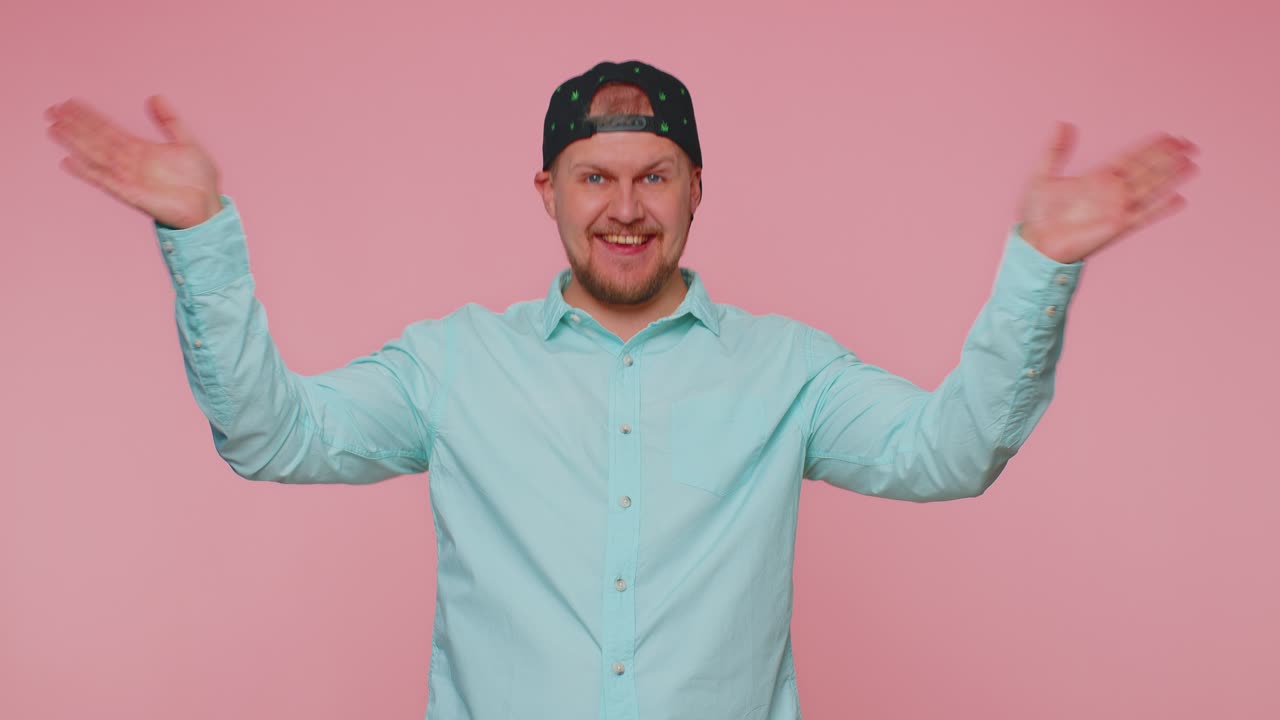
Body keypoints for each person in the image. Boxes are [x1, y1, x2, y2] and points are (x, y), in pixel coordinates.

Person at [45, 59, 1197, 720]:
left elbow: (947, 453)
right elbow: (270, 436)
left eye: (654, 175)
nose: (626, 206)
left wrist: (1041, 264)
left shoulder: (788, 368)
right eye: (594, 176)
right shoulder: (452, 363)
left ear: (698, 187)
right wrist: (199, 233)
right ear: (546, 188)